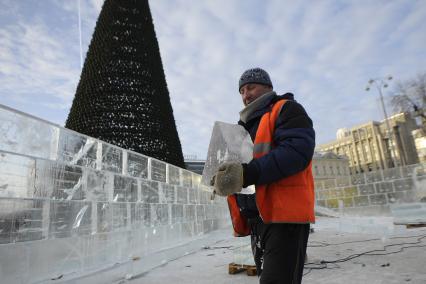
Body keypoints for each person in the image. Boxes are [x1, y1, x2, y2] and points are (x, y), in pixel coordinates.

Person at [212, 68, 315, 283]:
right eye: (241, 91)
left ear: (268, 87)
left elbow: (297, 152)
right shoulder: (240, 129)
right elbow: (238, 168)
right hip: (256, 219)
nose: (245, 94)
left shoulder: (287, 109)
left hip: (283, 217)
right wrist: (223, 177)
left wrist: (246, 173)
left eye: (251, 87)